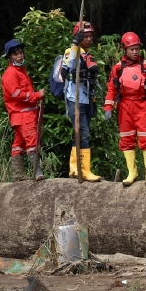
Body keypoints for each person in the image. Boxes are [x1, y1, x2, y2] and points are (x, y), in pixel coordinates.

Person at [103, 32, 146, 187]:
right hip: (124, 106)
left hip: (142, 104)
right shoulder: (118, 68)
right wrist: (108, 107)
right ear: (124, 49)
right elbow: (111, 89)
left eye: (137, 48)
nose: (135, 51)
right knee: (126, 138)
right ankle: (132, 172)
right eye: (132, 49)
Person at [62, 21, 102, 181]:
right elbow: (71, 66)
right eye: (86, 36)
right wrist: (74, 45)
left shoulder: (88, 54)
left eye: (91, 36)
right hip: (75, 99)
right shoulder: (71, 52)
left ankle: (74, 168)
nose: (89, 39)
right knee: (83, 133)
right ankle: (84, 170)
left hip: (86, 99)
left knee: (79, 133)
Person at [1, 39, 44, 181]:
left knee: (18, 144)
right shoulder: (10, 74)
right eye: (15, 54)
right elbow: (17, 94)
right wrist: (37, 95)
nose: (19, 56)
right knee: (32, 141)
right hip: (23, 114)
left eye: (20, 52)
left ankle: (17, 174)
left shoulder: (20, 71)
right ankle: (37, 173)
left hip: (24, 114)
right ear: (10, 57)